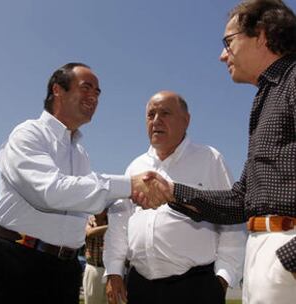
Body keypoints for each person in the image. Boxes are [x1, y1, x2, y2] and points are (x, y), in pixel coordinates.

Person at [136, 1, 296, 303]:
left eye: (228, 42)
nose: (223, 55)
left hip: (285, 254)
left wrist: (289, 261)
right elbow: (239, 201)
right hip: (262, 257)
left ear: (261, 35)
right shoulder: (266, 98)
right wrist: (172, 192)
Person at [0, 62, 160, 304]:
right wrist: (130, 186)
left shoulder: (81, 154)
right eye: (86, 88)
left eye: (97, 92)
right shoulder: (28, 134)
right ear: (57, 90)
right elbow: (50, 191)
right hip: (15, 264)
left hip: (65, 271)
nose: (93, 97)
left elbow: (85, 200)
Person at [104, 91, 247, 304]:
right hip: (139, 286)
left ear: (186, 120)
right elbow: (119, 225)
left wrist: (223, 278)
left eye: (165, 113)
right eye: (151, 115)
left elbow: (232, 219)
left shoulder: (209, 159)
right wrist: (114, 271)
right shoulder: (135, 167)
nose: (156, 120)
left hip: (195, 288)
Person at [83, 209, 108, 304]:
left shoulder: (111, 220)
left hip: (109, 270)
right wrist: (110, 227)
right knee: (92, 301)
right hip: (93, 268)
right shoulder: (88, 220)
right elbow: (89, 233)